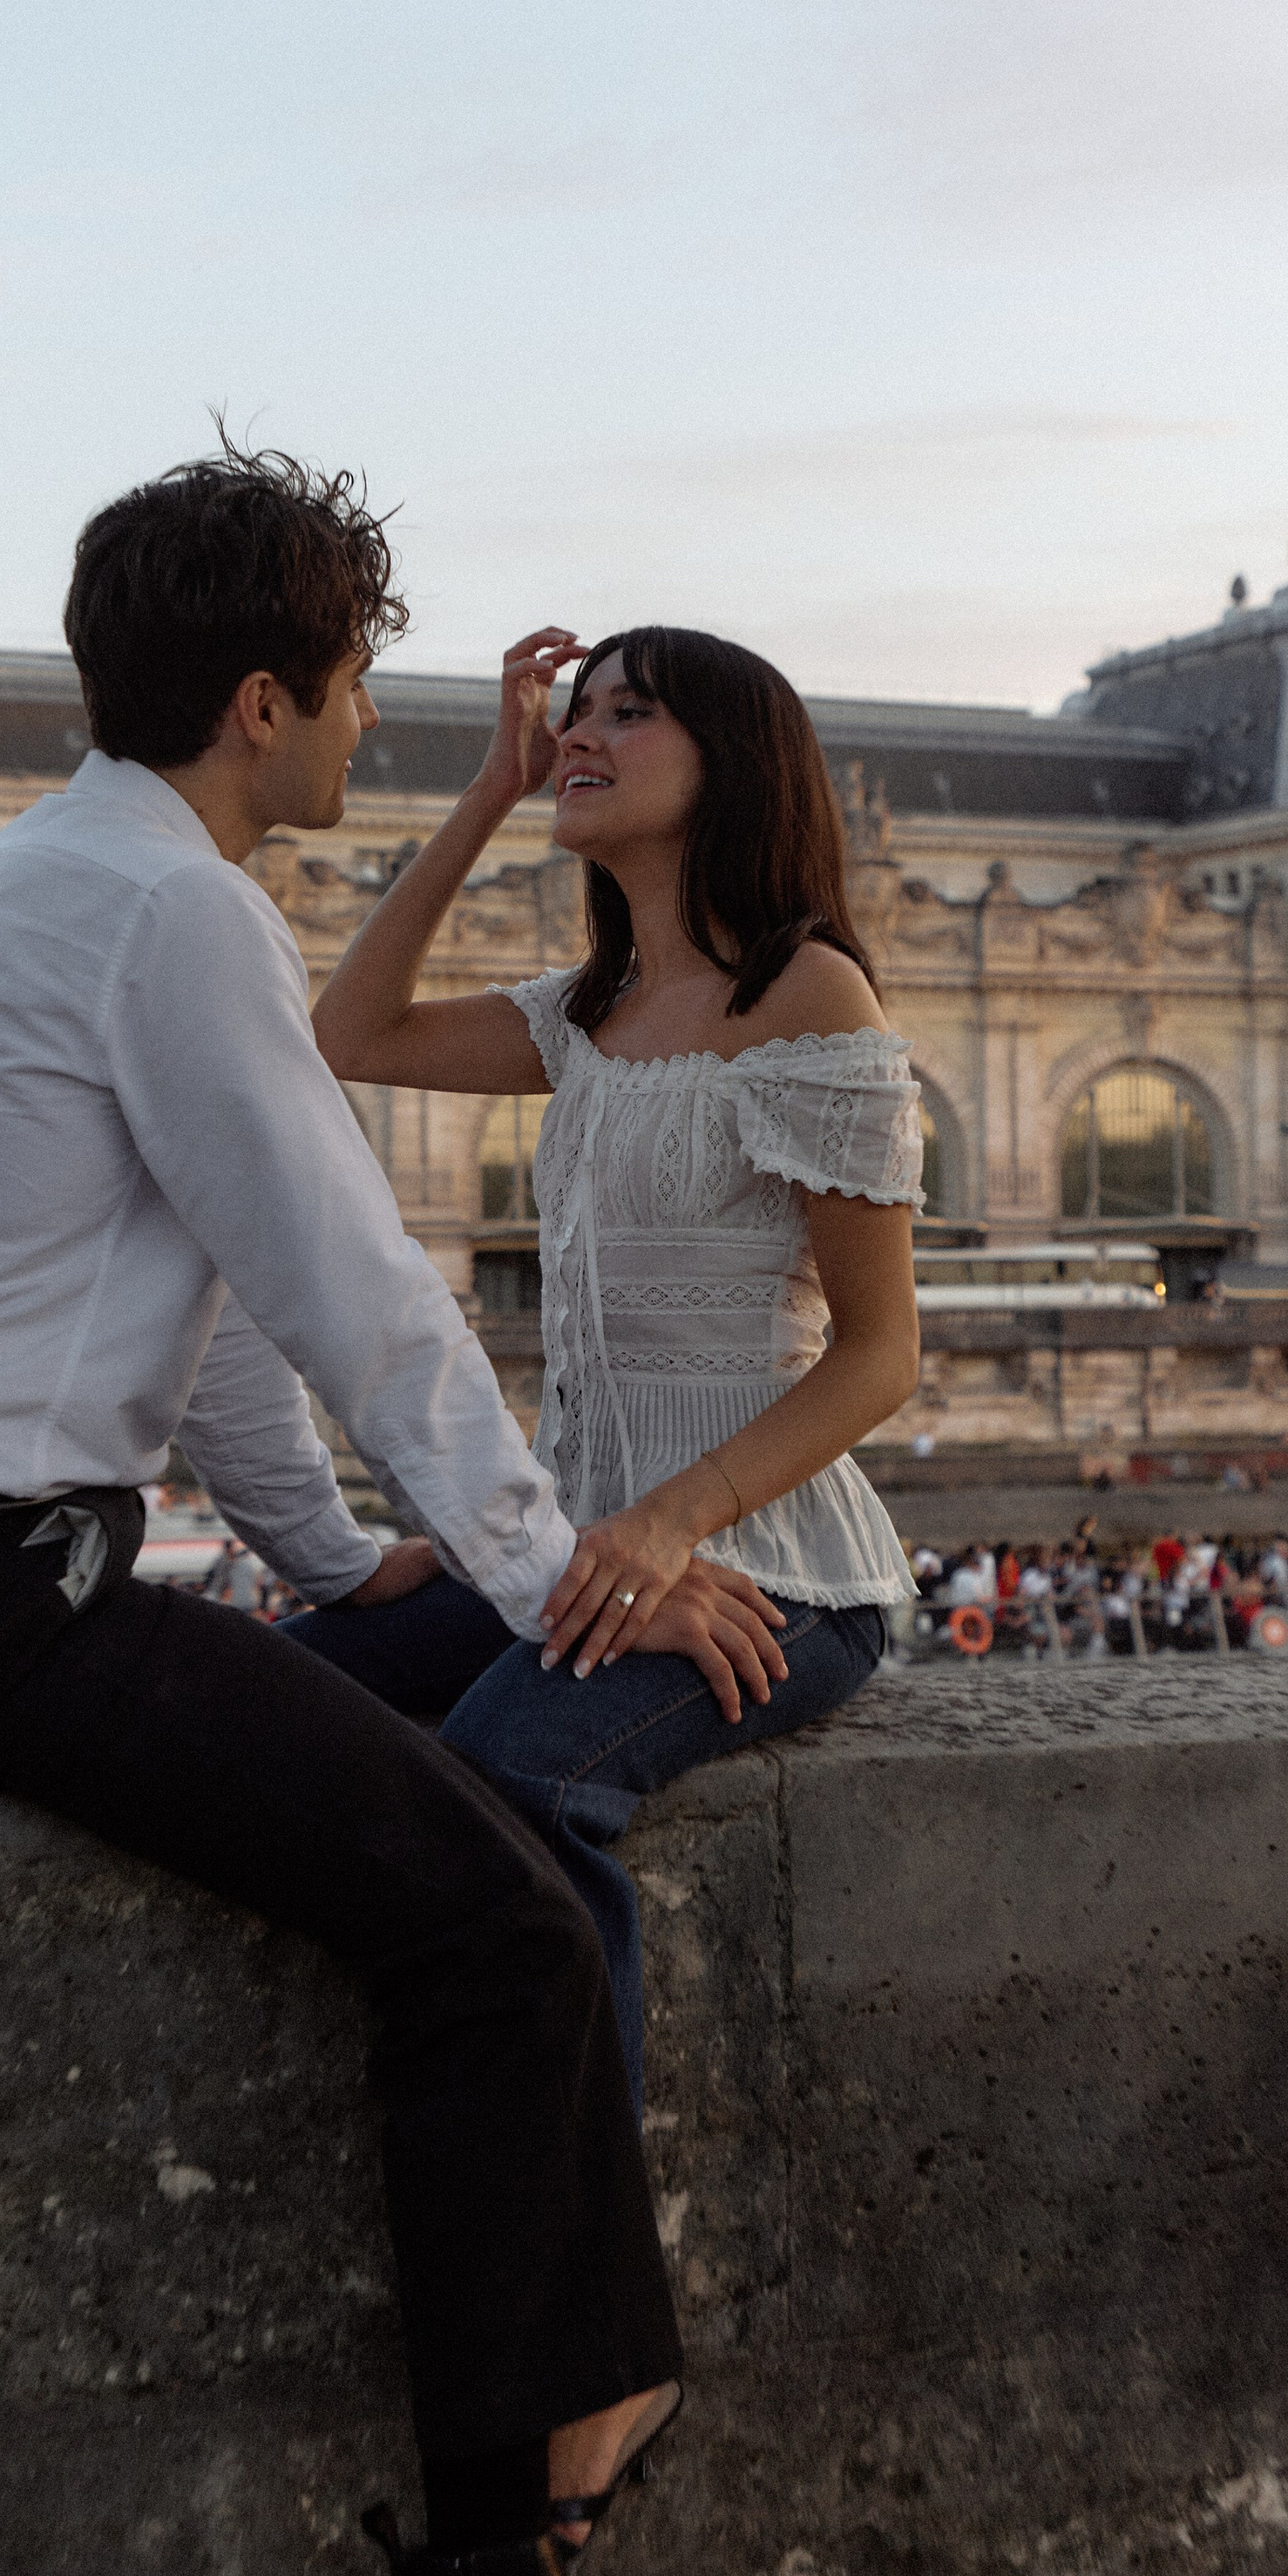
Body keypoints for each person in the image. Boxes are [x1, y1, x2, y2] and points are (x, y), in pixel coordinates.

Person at [0, 445, 716, 2576]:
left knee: (428, 1797)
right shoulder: (179, 915)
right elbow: (348, 1278)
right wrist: (561, 1574)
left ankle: (527, 2547)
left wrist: (335, 1565)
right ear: (266, 704)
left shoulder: (21, 883)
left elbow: (212, 1302)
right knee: (498, 1935)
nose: (368, 726)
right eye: (357, 684)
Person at [295, 623, 924, 2103]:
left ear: (735, 762)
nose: (580, 733)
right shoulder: (589, 1011)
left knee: (513, 1773)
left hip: (769, 1571)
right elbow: (351, 1030)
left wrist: (667, 1523)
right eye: (576, 712)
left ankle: (574, 2185)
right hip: (577, 1551)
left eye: (627, 713)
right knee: (282, 1694)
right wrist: (489, 791)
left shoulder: (810, 998)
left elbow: (881, 1355)